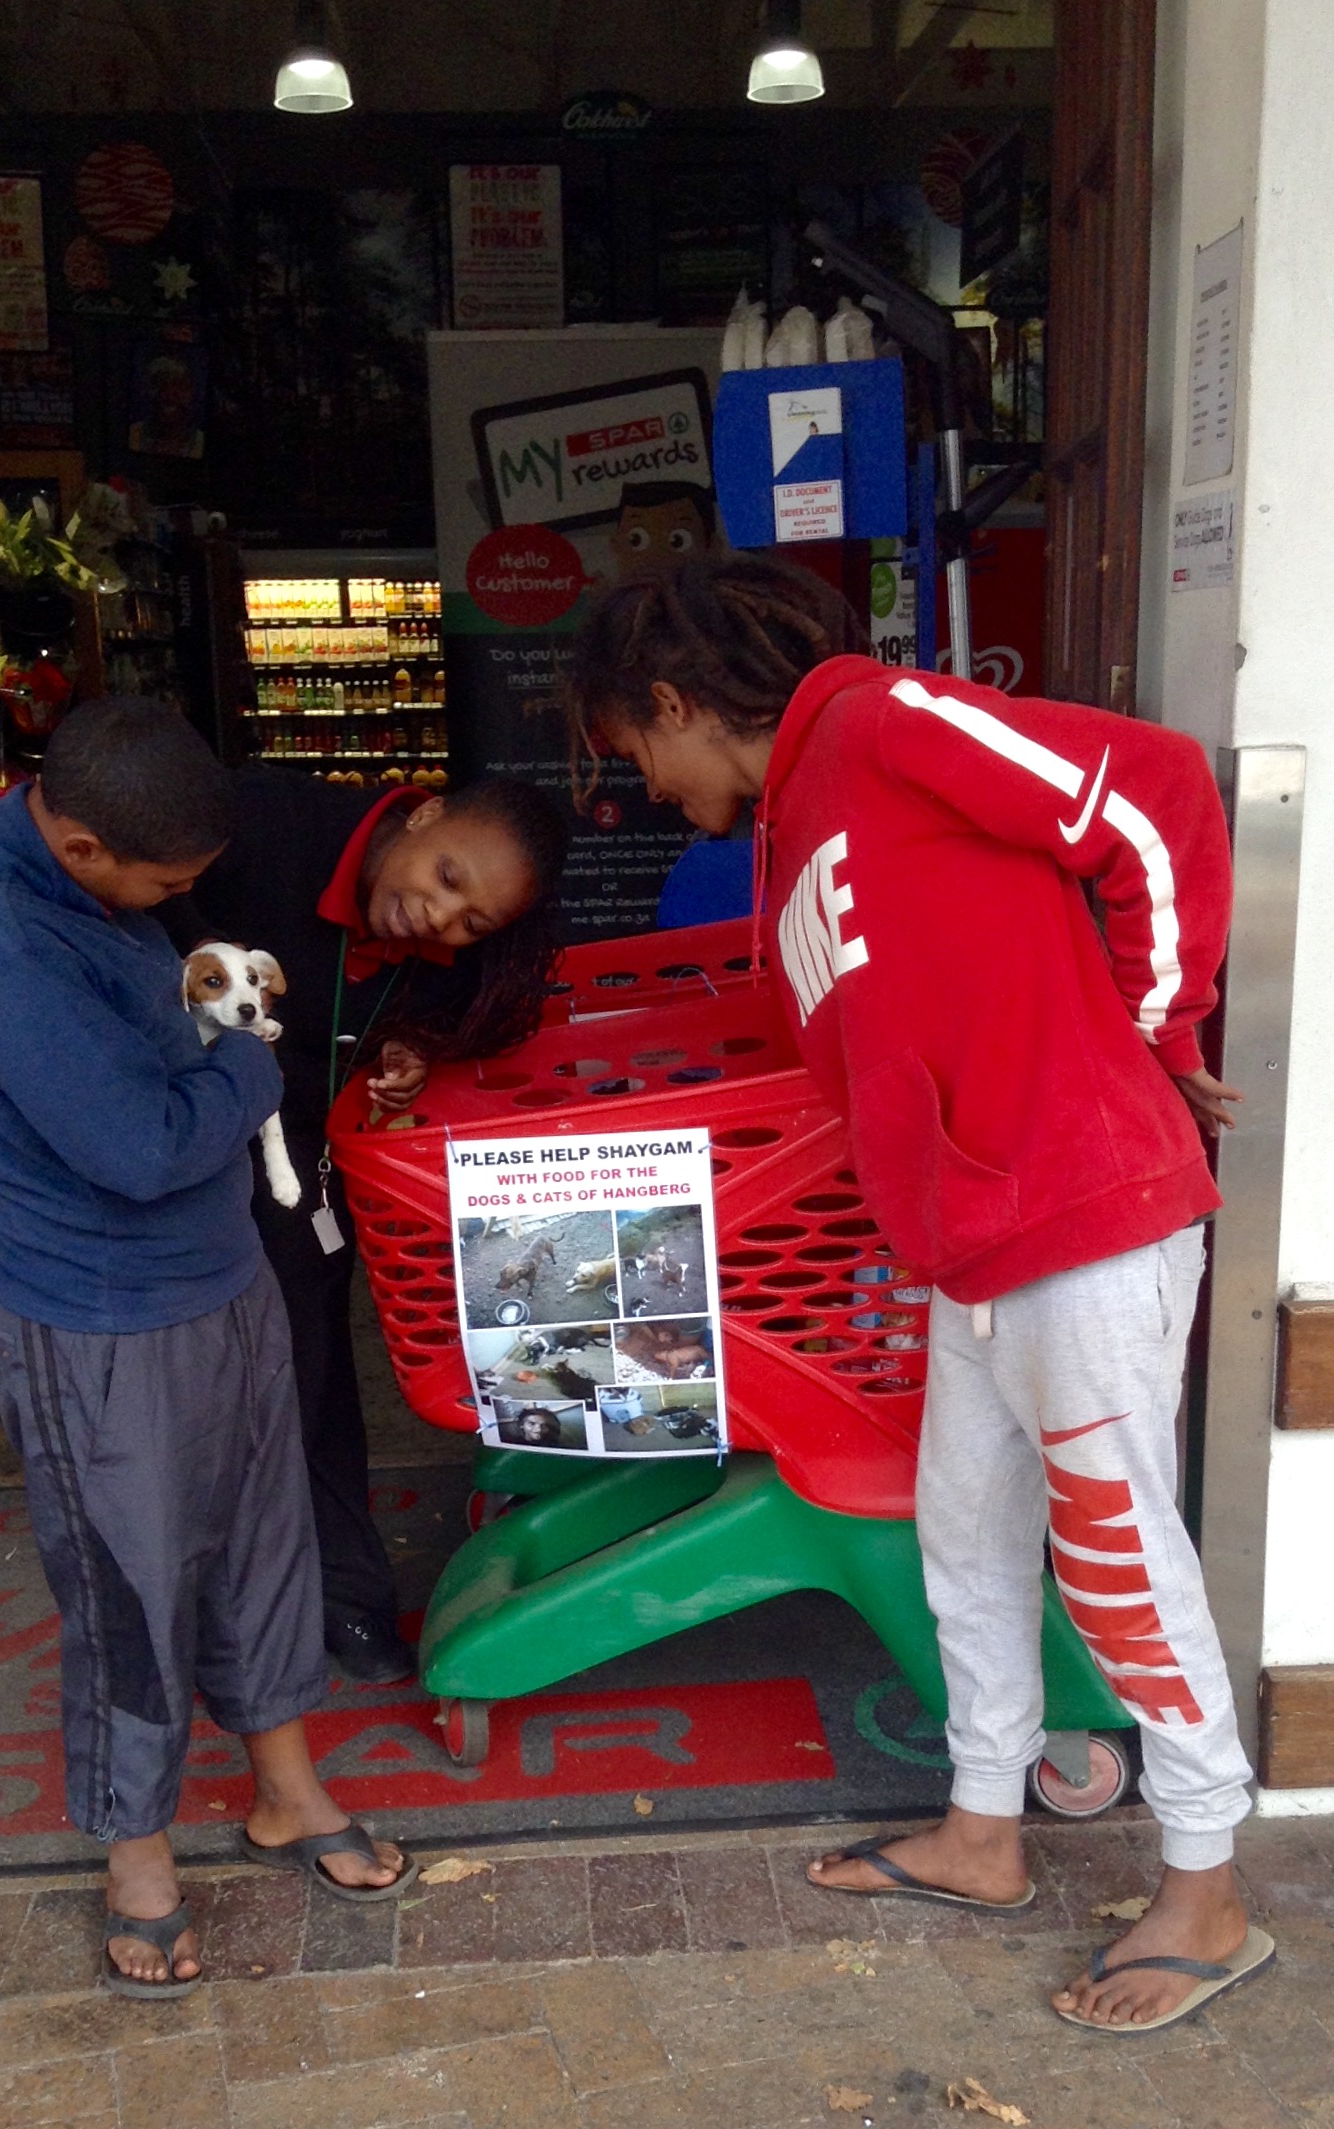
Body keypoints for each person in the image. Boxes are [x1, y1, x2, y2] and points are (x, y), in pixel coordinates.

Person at [561, 554, 1271, 2036]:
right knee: (962, 1530)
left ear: (680, 702)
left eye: (635, 747)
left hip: (1079, 1202)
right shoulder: (798, 817)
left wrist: (1157, 1024)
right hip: (979, 1243)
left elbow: (1143, 797)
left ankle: (1205, 1887)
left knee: (1117, 1555)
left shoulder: (880, 725)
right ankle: (981, 1827)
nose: (640, 782)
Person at [0, 699, 418, 2001]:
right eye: (168, 888)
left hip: (220, 1278)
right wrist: (257, 1068)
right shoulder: (1, 941)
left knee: (264, 1539)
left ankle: (285, 1794)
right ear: (79, 844)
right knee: (130, 1594)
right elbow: (137, 1150)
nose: (180, 906)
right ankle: (138, 1859)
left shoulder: (93, 883)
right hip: (95, 1319)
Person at [163, 767, 569, 1682]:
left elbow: (464, 1012)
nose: (440, 918)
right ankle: (199, 1615)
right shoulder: (257, 821)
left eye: (472, 921)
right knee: (182, 1389)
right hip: (165, 1128)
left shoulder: (457, 955)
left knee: (306, 1363)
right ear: (425, 811)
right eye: (448, 879)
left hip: (296, 1152)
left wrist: (415, 1049)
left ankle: (343, 1599)